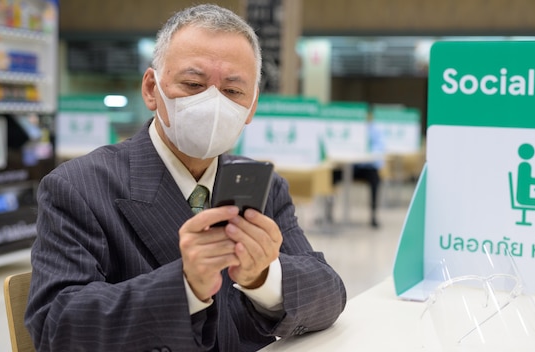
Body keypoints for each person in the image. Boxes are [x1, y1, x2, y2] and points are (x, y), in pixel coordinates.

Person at [25, 4, 347, 351]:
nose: (212, 103)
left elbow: (329, 293)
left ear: (252, 106)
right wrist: (185, 286)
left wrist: (265, 277)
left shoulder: (262, 187)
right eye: (193, 84)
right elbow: (57, 325)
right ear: (151, 89)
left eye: (233, 91)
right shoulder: (78, 188)